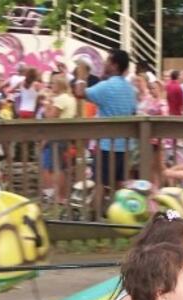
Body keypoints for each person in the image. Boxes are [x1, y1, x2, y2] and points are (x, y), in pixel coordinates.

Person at [74, 49, 137, 186]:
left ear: (114, 65)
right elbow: (133, 112)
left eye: (107, 61)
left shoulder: (106, 87)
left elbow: (79, 93)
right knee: (121, 183)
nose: (104, 64)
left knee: (100, 184)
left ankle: (99, 208)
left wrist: (81, 76)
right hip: (126, 145)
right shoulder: (131, 89)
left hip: (108, 146)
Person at [41, 74, 77, 202]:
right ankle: (63, 195)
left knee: (55, 167)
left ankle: (56, 196)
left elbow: (50, 117)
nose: (51, 86)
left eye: (53, 83)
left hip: (56, 136)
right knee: (62, 167)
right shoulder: (70, 98)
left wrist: (47, 105)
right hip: (66, 135)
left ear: (59, 85)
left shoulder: (60, 99)